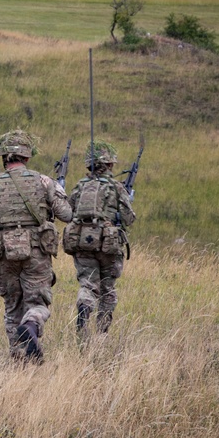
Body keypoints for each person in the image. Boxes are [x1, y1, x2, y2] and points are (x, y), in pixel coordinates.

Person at [0, 130, 72, 364]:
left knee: (12, 306)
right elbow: (67, 214)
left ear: (4, 158)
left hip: (4, 253)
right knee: (37, 302)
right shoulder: (44, 181)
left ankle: (18, 359)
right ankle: (31, 325)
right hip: (36, 252)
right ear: (27, 157)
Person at [62, 140, 136, 338]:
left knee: (88, 284)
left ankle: (84, 310)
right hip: (108, 245)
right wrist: (128, 200)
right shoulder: (116, 187)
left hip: (83, 242)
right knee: (107, 289)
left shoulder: (80, 186)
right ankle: (101, 334)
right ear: (110, 164)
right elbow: (129, 218)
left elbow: (69, 212)